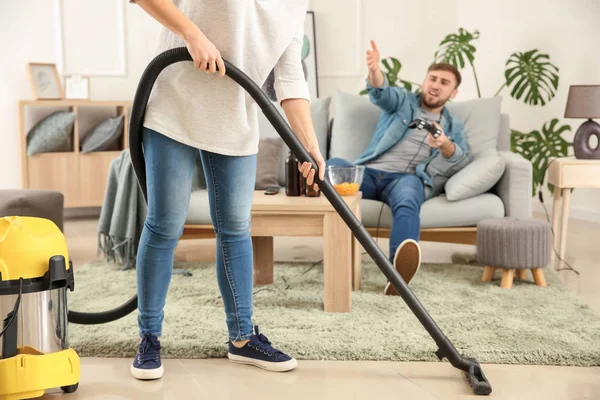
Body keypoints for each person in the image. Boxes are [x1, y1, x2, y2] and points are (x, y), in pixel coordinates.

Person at [128, 0, 326, 380]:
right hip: (174, 102)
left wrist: (309, 145)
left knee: (235, 227)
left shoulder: (294, 6)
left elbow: (289, 77)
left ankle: (241, 338)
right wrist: (191, 33)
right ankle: (149, 338)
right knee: (165, 224)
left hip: (235, 115)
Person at [327, 40, 470, 295]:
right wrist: (374, 70)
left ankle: (397, 275)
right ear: (424, 81)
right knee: (331, 166)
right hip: (369, 172)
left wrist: (444, 143)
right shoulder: (403, 101)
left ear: (454, 93)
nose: (436, 85)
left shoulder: (452, 125)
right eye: (432, 78)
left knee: (407, 202)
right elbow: (381, 92)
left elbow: (460, 159)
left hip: (406, 179)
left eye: (444, 82)